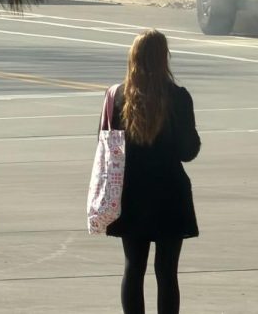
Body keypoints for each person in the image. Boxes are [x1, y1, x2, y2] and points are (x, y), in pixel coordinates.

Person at [103, 30, 201, 314]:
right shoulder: (178, 97)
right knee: (167, 273)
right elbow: (188, 151)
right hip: (169, 192)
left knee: (133, 268)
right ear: (163, 58)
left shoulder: (116, 96)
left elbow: (105, 147)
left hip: (130, 193)